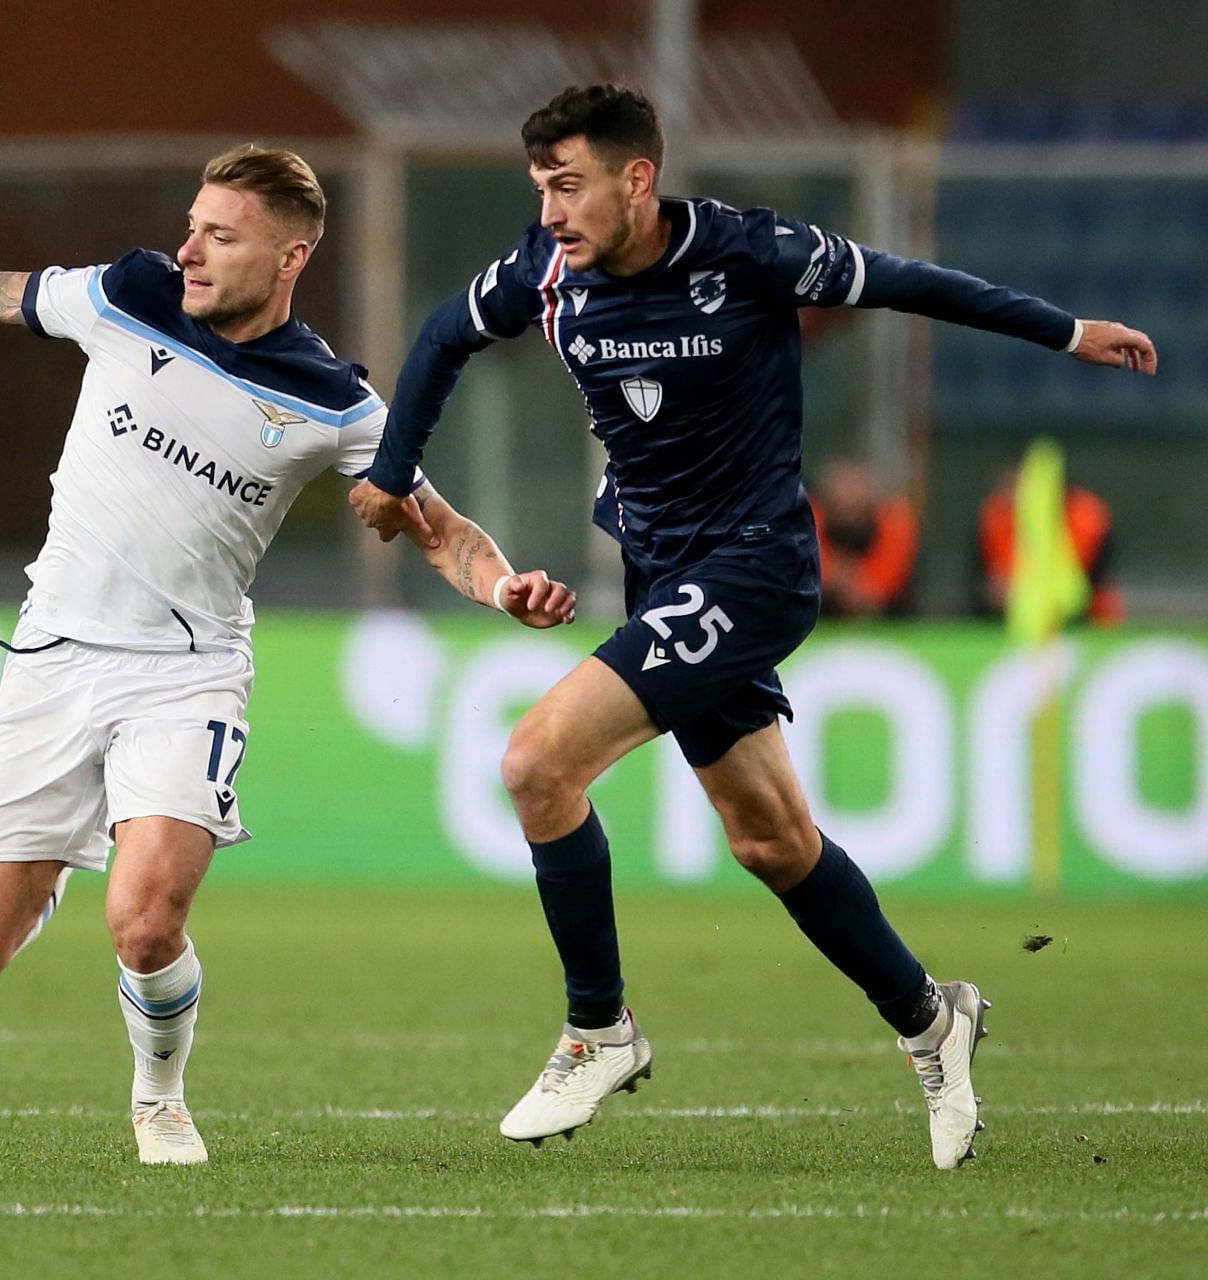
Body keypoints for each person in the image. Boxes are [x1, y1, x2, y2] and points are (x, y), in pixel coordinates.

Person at [0, 145, 573, 1166]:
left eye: (221, 234)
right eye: (193, 225)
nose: (191, 250)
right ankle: (66, 855)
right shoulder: (126, 294)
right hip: (54, 655)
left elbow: (433, 526)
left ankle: (158, 1093)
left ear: (291, 255)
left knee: (148, 921)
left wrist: (504, 581)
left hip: (188, 672)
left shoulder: (332, 399)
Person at [350, 83, 1157, 1170]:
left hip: (758, 566)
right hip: (663, 578)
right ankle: (933, 1015)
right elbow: (444, 335)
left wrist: (1065, 331)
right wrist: (393, 477)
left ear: (639, 179)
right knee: (771, 839)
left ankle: (600, 1027)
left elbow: (913, 283)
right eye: (540, 187)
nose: (549, 212)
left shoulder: (754, 253)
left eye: (570, 185)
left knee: (538, 762)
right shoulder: (544, 275)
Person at [975, 463, 1124, 624]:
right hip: (1011, 620)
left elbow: (1087, 583)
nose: (1009, 496)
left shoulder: (1086, 517)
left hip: (1084, 618)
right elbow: (984, 581)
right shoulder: (996, 517)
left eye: (1017, 487)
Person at [810, 458, 919, 618]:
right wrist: (834, 574)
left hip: (893, 626)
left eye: (858, 508)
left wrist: (855, 583)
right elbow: (807, 562)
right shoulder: (808, 518)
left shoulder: (895, 521)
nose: (850, 496)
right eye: (841, 507)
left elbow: (879, 585)